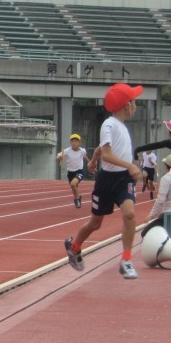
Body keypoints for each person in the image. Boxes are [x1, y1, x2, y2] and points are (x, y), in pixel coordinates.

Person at [64, 82, 143, 279]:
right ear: (127, 105)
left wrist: (93, 159)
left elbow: (101, 148)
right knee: (95, 223)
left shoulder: (122, 127)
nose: (136, 106)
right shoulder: (109, 124)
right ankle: (74, 247)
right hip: (107, 180)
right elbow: (107, 153)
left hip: (123, 179)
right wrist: (130, 165)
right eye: (134, 102)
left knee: (130, 214)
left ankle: (126, 260)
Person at [56, 134, 90, 209]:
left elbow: (85, 157)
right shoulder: (66, 151)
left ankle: (76, 200)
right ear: (70, 142)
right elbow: (57, 157)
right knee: (74, 187)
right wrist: (59, 157)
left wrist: (90, 163)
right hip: (70, 173)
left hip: (79, 171)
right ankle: (78, 197)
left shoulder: (82, 151)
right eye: (72, 141)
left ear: (79, 142)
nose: (74, 143)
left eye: (76, 141)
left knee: (73, 184)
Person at [141, 154, 171, 238]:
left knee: (145, 234)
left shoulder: (166, 178)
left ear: (167, 166)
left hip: (169, 214)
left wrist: (151, 216)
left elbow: (160, 200)